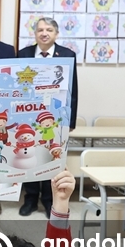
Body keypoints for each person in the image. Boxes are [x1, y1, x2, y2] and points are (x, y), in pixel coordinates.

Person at [17, 17, 79, 217]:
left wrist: (70, 121)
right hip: (29, 115)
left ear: (56, 33)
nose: (44, 33)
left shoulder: (67, 55)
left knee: (52, 157)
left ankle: (49, 200)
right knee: (30, 157)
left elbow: (73, 89)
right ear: (35, 34)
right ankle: (31, 199)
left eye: (49, 29)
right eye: (40, 30)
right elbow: (19, 87)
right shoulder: (24, 54)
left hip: (57, 117)